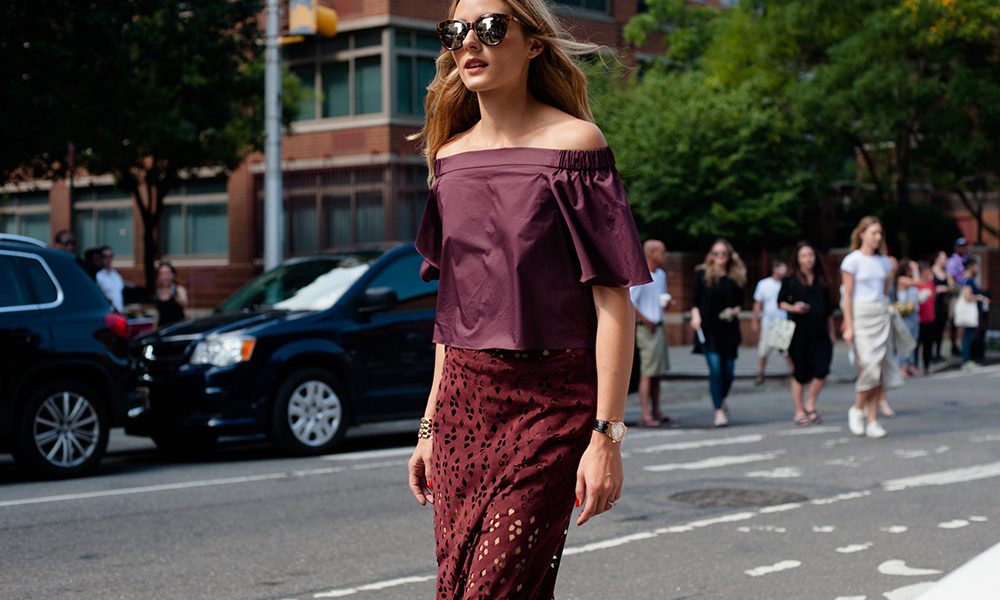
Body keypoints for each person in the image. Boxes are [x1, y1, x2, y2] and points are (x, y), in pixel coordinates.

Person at [405, 2, 651, 596]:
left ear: (533, 44)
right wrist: (428, 426)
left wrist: (606, 437)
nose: (470, 43)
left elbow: (613, 302)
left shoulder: (576, 146)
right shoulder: (449, 158)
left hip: (550, 408)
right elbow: (451, 313)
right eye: (457, 31)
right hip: (465, 406)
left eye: (492, 28)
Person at [840, 216, 901, 439]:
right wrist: (849, 325)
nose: (878, 237)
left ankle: (872, 419)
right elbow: (847, 295)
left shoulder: (884, 262)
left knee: (879, 371)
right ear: (862, 233)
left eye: (880, 233)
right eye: (874, 232)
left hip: (880, 314)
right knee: (869, 368)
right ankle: (857, 409)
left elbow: (885, 293)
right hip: (861, 315)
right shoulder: (852, 261)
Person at [690, 239, 746, 428]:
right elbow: (695, 300)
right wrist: (695, 316)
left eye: (723, 253)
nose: (719, 257)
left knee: (728, 372)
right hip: (708, 329)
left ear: (729, 256)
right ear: (711, 255)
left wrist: (734, 311)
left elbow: (740, 303)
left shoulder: (736, 276)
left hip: (729, 329)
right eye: (716, 253)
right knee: (716, 369)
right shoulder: (702, 273)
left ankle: (720, 398)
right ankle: (719, 411)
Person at [778, 242, 835, 426]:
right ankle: (800, 410)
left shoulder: (822, 279)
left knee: (822, 368)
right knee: (800, 372)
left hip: (820, 331)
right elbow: (780, 302)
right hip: (799, 331)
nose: (808, 259)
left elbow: (829, 310)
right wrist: (794, 308)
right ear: (798, 259)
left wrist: (832, 333)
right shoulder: (790, 279)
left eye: (810, 255)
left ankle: (811, 403)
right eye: (804, 256)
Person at [629, 239, 673, 427]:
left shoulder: (661, 275)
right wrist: (646, 320)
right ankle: (646, 414)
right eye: (662, 252)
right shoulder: (641, 276)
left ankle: (657, 410)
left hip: (659, 326)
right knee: (647, 372)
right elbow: (631, 303)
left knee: (658, 372)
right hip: (646, 329)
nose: (665, 255)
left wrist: (667, 304)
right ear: (652, 254)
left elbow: (661, 298)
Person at [752, 260, 790, 385]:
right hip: (768, 321)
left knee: (786, 350)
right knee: (764, 350)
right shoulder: (764, 284)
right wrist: (755, 321)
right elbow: (758, 303)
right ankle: (760, 373)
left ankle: (794, 373)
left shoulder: (786, 283)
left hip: (783, 322)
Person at [957, 257, 990, 369]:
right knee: (968, 336)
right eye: (975, 266)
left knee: (968, 335)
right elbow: (967, 296)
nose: (977, 268)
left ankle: (967, 359)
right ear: (970, 267)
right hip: (969, 312)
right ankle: (966, 360)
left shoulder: (965, 279)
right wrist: (980, 297)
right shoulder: (968, 280)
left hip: (970, 311)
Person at [894, 259, 921, 378]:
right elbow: (917, 281)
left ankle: (911, 365)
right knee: (905, 340)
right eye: (910, 269)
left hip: (914, 312)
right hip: (905, 314)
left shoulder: (909, 280)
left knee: (913, 340)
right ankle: (901, 366)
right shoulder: (902, 279)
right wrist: (915, 270)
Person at [945, 237, 969, 356]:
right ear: (956, 247)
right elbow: (951, 280)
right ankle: (954, 345)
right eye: (961, 246)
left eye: (965, 246)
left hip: (966, 293)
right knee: (954, 319)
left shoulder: (967, 259)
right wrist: (958, 290)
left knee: (964, 320)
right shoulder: (952, 261)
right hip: (956, 294)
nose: (963, 248)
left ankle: (962, 345)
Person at [930, 250, 953, 362]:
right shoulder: (931, 272)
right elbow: (927, 286)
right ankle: (930, 354)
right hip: (934, 304)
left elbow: (952, 287)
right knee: (932, 330)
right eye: (944, 258)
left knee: (941, 329)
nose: (946, 260)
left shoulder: (946, 273)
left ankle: (938, 353)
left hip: (944, 304)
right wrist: (936, 289)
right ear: (937, 259)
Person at [915, 262, 937, 375]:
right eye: (926, 271)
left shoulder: (931, 284)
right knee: (916, 344)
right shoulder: (916, 284)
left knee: (928, 344)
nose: (928, 273)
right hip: (919, 318)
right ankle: (914, 366)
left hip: (930, 317)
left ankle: (927, 365)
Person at [154, 261, 189, 327]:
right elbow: (157, 314)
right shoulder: (158, 292)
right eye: (162, 274)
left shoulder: (179, 289)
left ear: (173, 275)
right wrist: (154, 329)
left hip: (176, 328)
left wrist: (174, 295)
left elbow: (184, 303)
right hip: (162, 329)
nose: (165, 277)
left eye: (168, 273)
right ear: (159, 276)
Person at [95, 245, 125, 312]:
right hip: (107, 312)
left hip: (120, 312)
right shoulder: (98, 275)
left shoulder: (116, 275)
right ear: (100, 258)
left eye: (110, 256)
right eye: (105, 257)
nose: (108, 259)